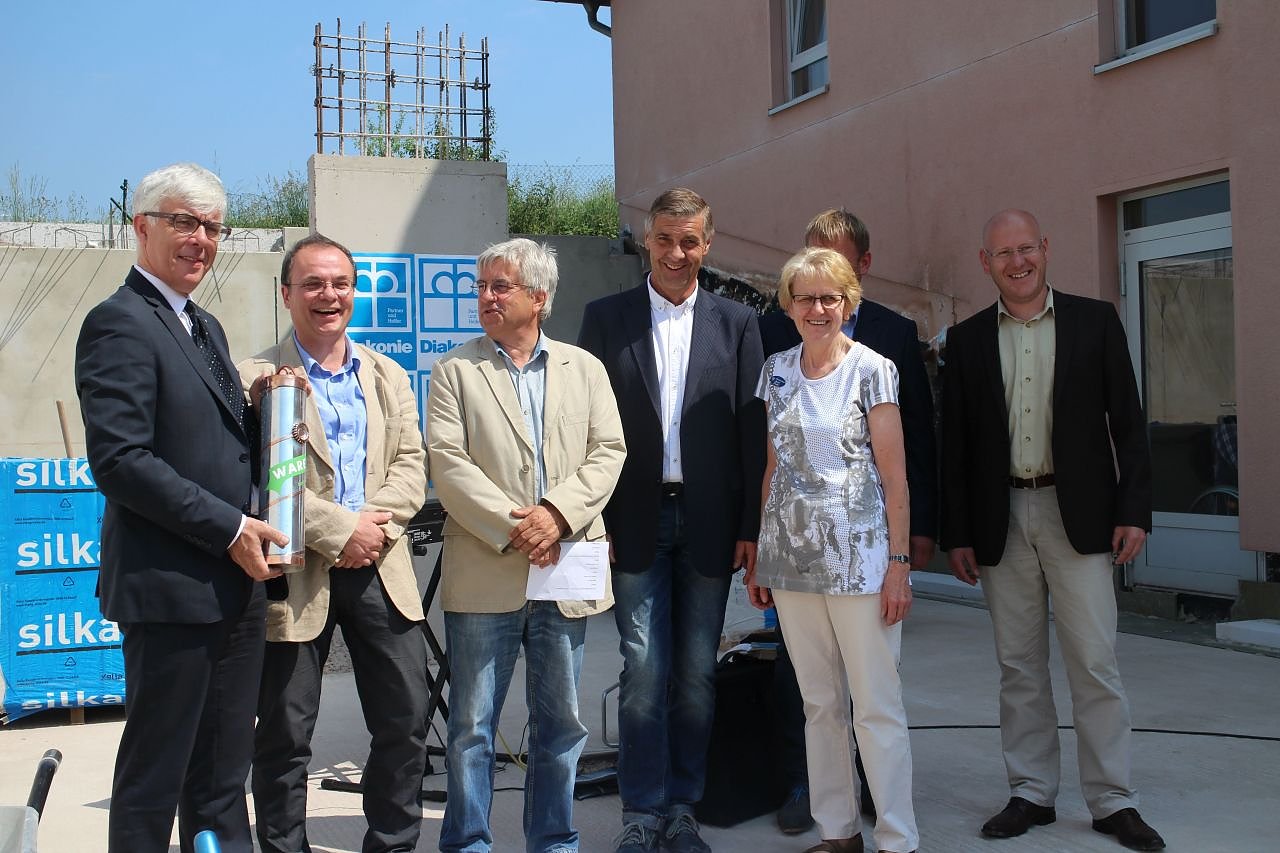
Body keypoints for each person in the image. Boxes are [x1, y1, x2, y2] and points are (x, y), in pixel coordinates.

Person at [75, 162, 288, 852]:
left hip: (235, 586)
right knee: (155, 774)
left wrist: (267, 411)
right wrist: (229, 527)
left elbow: (212, 445)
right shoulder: (119, 323)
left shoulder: (204, 326)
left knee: (223, 775)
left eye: (213, 227)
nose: (201, 240)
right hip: (170, 588)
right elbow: (121, 461)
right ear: (142, 227)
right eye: (185, 222)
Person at [941, 209, 1163, 851]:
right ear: (985, 263)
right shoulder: (968, 340)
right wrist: (958, 532)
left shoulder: (1095, 322)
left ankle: (1113, 800)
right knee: (1018, 665)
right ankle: (1031, 792)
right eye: (1003, 253)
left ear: (1045, 248)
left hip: (1081, 517)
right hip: (1002, 519)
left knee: (1094, 661)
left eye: (1026, 249)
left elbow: (1129, 423)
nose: (1018, 262)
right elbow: (954, 444)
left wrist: (1134, 509)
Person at [578, 188, 766, 853]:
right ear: (646, 240)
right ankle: (642, 809)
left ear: (707, 244)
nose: (676, 253)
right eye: (665, 239)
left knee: (695, 674)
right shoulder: (606, 319)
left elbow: (752, 430)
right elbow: (584, 427)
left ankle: (684, 806)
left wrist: (751, 525)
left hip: (711, 521)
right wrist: (592, 520)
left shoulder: (738, 324)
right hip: (634, 518)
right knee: (642, 668)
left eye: (689, 241)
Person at [426, 238, 626, 853]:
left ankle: (554, 841)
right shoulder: (455, 371)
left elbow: (608, 451)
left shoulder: (584, 368)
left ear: (538, 297)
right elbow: (448, 464)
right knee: (471, 727)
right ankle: (468, 844)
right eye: (481, 286)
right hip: (486, 570)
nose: (486, 297)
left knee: (561, 725)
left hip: (564, 566)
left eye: (500, 286)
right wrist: (522, 527)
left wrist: (557, 516)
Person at [237, 234, 430, 853]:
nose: (329, 296)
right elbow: (265, 478)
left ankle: (392, 843)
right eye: (313, 284)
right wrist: (341, 531)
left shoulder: (385, 373)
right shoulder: (255, 378)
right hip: (294, 575)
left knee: (406, 717)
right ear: (286, 293)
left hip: (379, 564)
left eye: (341, 283)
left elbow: (411, 463)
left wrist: (374, 529)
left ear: (354, 291)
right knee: (284, 733)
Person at [758, 209, 937, 833]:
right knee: (819, 704)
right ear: (788, 305)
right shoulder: (776, 371)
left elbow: (896, 479)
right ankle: (837, 832)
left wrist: (899, 565)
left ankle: (896, 837)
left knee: (876, 706)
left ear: (848, 301)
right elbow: (773, 470)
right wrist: (762, 558)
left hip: (861, 567)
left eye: (829, 298)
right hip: (791, 564)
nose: (817, 309)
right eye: (805, 298)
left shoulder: (873, 369)